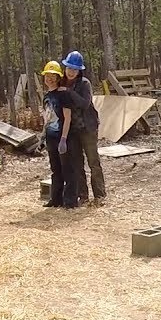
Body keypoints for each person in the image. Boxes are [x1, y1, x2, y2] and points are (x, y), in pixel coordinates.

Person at [60, 50, 106, 205]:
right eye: (69, 69)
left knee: (93, 161)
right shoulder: (62, 84)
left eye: (74, 69)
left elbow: (84, 104)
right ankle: (83, 195)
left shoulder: (84, 84)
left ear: (79, 70)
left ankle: (99, 195)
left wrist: (68, 92)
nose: (71, 72)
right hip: (73, 130)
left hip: (88, 127)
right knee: (77, 163)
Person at [40, 60, 79, 209]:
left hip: (63, 137)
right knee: (55, 169)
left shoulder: (63, 95)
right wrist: (43, 137)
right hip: (51, 137)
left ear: (58, 78)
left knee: (67, 169)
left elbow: (67, 118)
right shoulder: (46, 96)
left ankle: (70, 202)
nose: (49, 79)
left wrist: (63, 138)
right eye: (47, 76)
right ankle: (55, 199)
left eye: (53, 76)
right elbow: (47, 118)